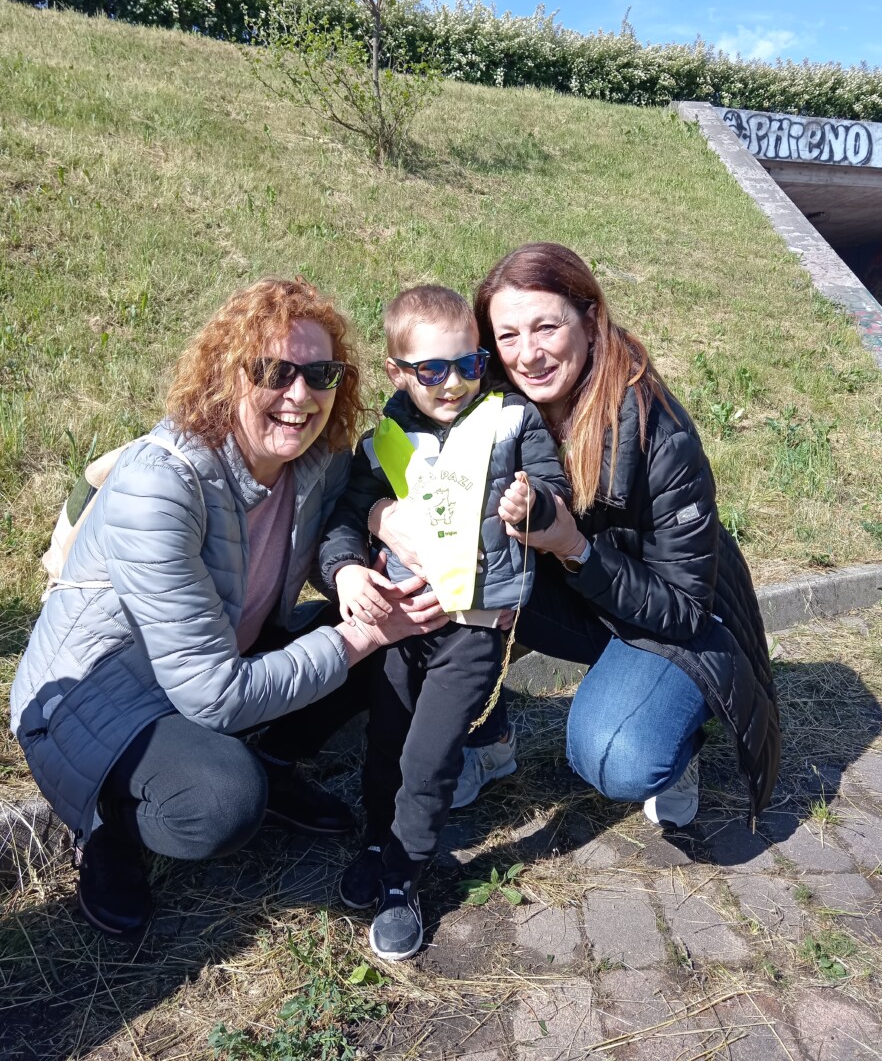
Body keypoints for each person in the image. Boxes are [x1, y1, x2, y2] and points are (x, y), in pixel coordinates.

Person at [10, 276, 447, 937]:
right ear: (225, 375)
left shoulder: (315, 461)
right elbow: (212, 695)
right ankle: (105, 822)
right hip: (93, 697)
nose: (300, 395)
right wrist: (362, 636)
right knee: (223, 800)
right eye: (274, 371)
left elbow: (333, 531)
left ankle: (275, 761)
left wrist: (363, 552)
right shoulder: (160, 486)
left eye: (321, 374)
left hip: (222, 652)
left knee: (397, 629)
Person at [370, 244, 781, 830]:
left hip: (672, 617)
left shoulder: (658, 433)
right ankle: (488, 740)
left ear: (590, 321)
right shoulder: (475, 388)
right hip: (574, 594)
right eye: (507, 336)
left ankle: (679, 736)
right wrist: (381, 515)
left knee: (616, 753)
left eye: (547, 327)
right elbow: (399, 430)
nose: (528, 354)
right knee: (442, 576)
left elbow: (686, 609)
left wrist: (572, 547)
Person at [317, 285, 570, 960]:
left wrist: (536, 505)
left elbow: (556, 491)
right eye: (432, 369)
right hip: (400, 628)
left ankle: (404, 879)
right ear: (398, 372)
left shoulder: (513, 421)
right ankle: (378, 840)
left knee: (427, 760)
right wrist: (347, 570)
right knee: (386, 742)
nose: (453, 382)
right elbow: (346, 516)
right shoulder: (383, 442)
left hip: (475, 629)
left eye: (468, 364)